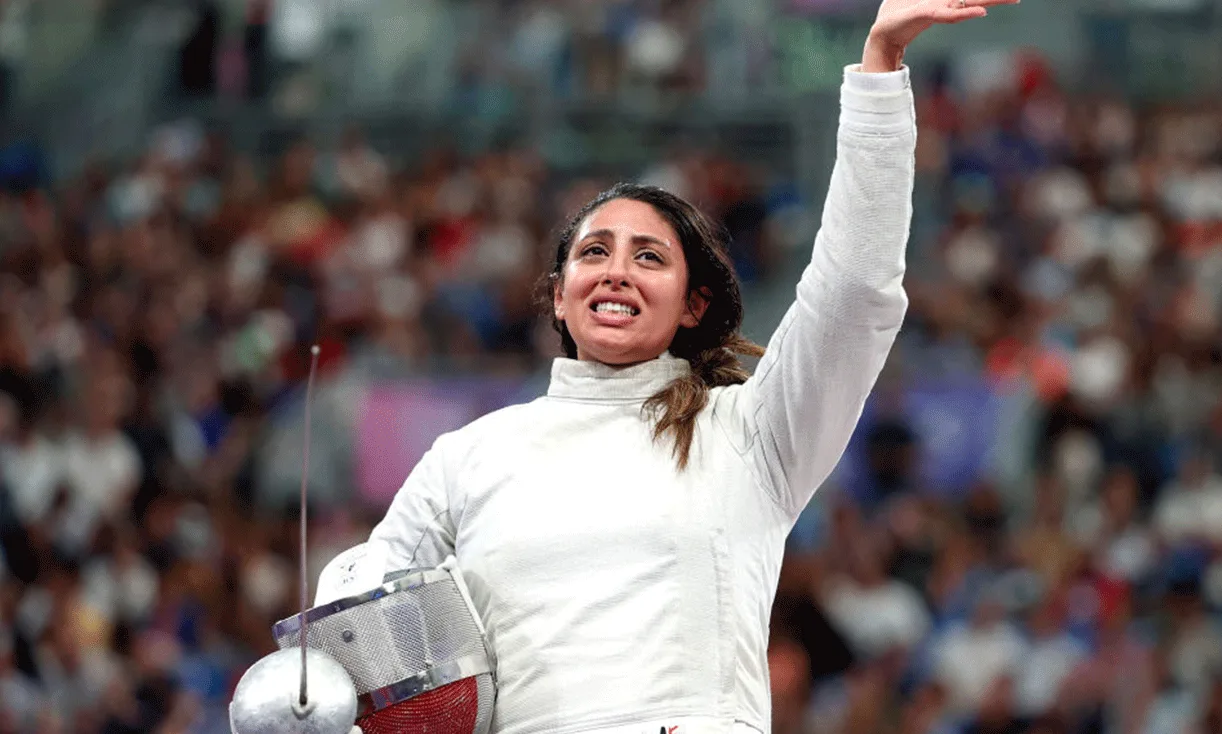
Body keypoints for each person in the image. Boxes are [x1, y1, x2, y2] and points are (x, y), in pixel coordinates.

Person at [368, 1, 1017, 732]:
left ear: (691, 303)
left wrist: (879, 66)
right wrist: (307, 684)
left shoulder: (750, 434)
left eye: (648, 257)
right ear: (558, 295)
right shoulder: (468, 460)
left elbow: (855, 291)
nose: (616, 272)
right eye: (593, 253)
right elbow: (360, 608)